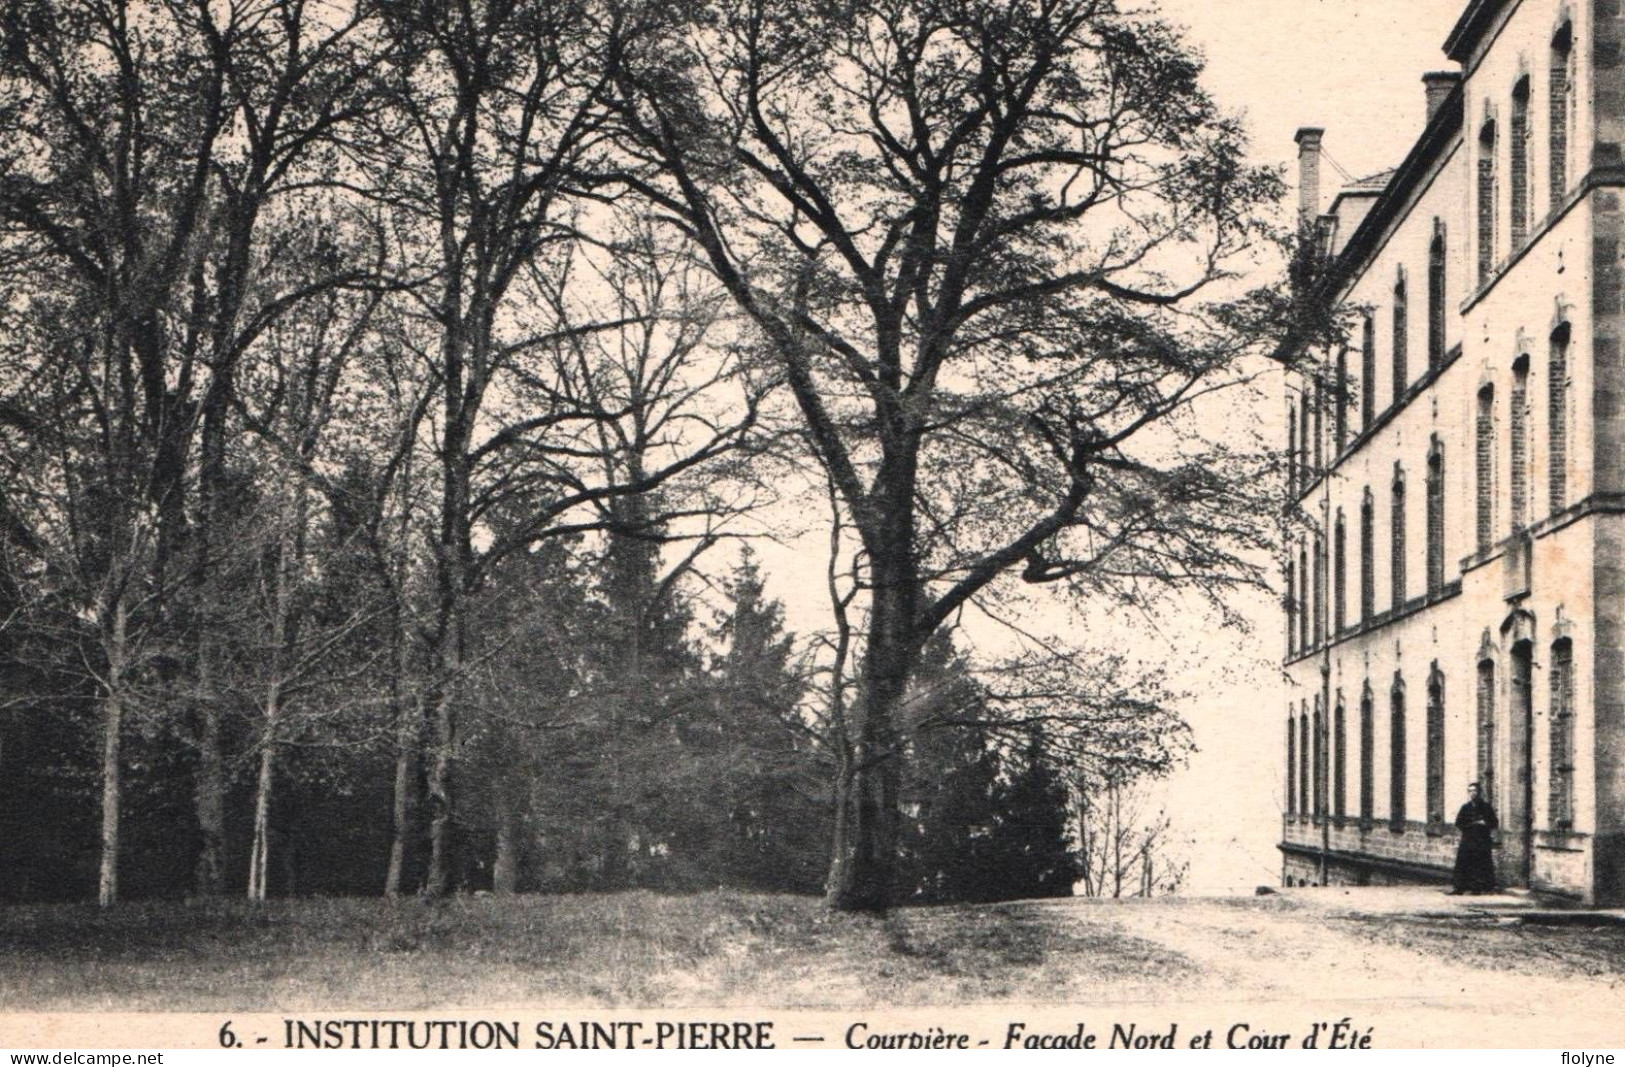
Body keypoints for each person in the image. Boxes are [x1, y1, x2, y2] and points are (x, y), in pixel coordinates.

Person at [1450, 782, 1499, 895]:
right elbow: (1458, 823)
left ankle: (1478, 887)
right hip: (1468, 839)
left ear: (1479, 792)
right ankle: (1459, 887)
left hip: (1481, 840)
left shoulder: (1486, 807)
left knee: (1480, 863)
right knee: (1463, 862)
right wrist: (1471, 825)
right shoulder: (1465, 807)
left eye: (1475, 791)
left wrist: (1484, 823)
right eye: (1470, 791)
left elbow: (1494, 823)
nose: (1472, 793)